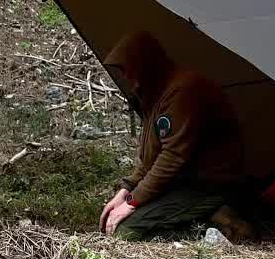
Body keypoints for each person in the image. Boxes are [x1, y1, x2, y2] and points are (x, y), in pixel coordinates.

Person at [98, 31, 256, 241]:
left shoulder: (183, 91)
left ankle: (219, 223)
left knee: (125, 233)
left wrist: (132, 203)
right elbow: (151, 160)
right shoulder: (155, 94)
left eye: (128, 69)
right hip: (181, 184)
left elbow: (172, 157)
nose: (126, 77)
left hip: (208, 186)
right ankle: (210, 216)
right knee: (114, 222)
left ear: (144, 64)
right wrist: (124, 193)